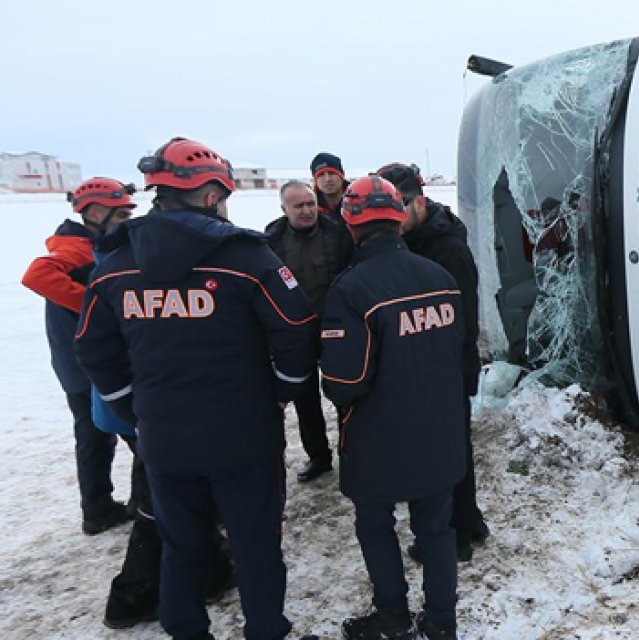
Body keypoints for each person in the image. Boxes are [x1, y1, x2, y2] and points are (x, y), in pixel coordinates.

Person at [75, 137, 317, 640]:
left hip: (165, 438)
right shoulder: (247, 257)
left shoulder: (115, 266)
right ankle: (266, 630)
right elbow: (296, 330)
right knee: (255, 544)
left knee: (180, 542)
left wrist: (131, 409)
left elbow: (92, 349)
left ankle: (186, 629)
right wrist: (283, 389)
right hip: (244, 435)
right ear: (211, 197)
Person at [320, 175, 464, 640]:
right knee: (436, 531)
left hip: (379, 437)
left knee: (376, 526)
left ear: (351, 224)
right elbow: (457, 353)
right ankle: (442, 623)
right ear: (399, 220)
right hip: (440, 429)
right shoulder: (439, 277)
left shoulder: (351, 289)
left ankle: (393, 617)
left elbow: (345, 382)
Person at [377, 162, 488, 563]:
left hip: (448, 367)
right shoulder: (415, 240)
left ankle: (455, 535)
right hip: (434, 367)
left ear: (419, 202)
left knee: (445, 454)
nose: (394, 216)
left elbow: (464, 320)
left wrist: (451, 371)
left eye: (400, 206)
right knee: (452, 448)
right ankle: (470, 521)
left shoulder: (447, 248)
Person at [22, 177, 134, 535]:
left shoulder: (90, 243)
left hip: (79, 362)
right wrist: (95, 304)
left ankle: (99, 507)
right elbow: (36, 274)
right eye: (120, 213)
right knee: (131, 432)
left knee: (97, 436)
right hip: (86, 365)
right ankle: (130, 504)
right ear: (96, 212)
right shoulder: (77, 247)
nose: (126, 220)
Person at [265, 180, 354, 482]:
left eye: (310, 203)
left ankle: (351, 452)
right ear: (284, 209)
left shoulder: (337, 233)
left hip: (334, 328)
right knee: (304, 399)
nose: (306, 210)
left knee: (345, 391)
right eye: (298, 206)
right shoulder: (272, 240)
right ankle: (318, 455)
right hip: (294, 332)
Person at [310, 152, 349, 225]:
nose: (327, 179)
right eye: (321, 175)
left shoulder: (359, 200)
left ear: (342, 175)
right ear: (315, 180)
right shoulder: (309, 208)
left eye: (332, 173)